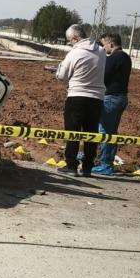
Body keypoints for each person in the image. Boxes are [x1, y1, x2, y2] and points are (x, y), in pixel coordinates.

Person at [53, 24, 106, 177]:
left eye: (69, 40)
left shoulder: (74, 53)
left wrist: (59, 69)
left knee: (73, 132)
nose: (69, 43)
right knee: (91, 134)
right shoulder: (101, 51)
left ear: (75, 38)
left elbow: (62, 76)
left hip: (77, 96)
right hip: (97, 99)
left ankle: (71, 166)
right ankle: (88, 167)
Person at [92, 32, 132, 176]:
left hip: (111, 98)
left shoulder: (114, 58)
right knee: (111, 132)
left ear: (111, 43)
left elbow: (103, 76)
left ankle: (105, 165)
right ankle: (106, 162)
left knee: (105, 132)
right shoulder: (125, 57)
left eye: (104, 44)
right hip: (120, 97)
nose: (103, 48)